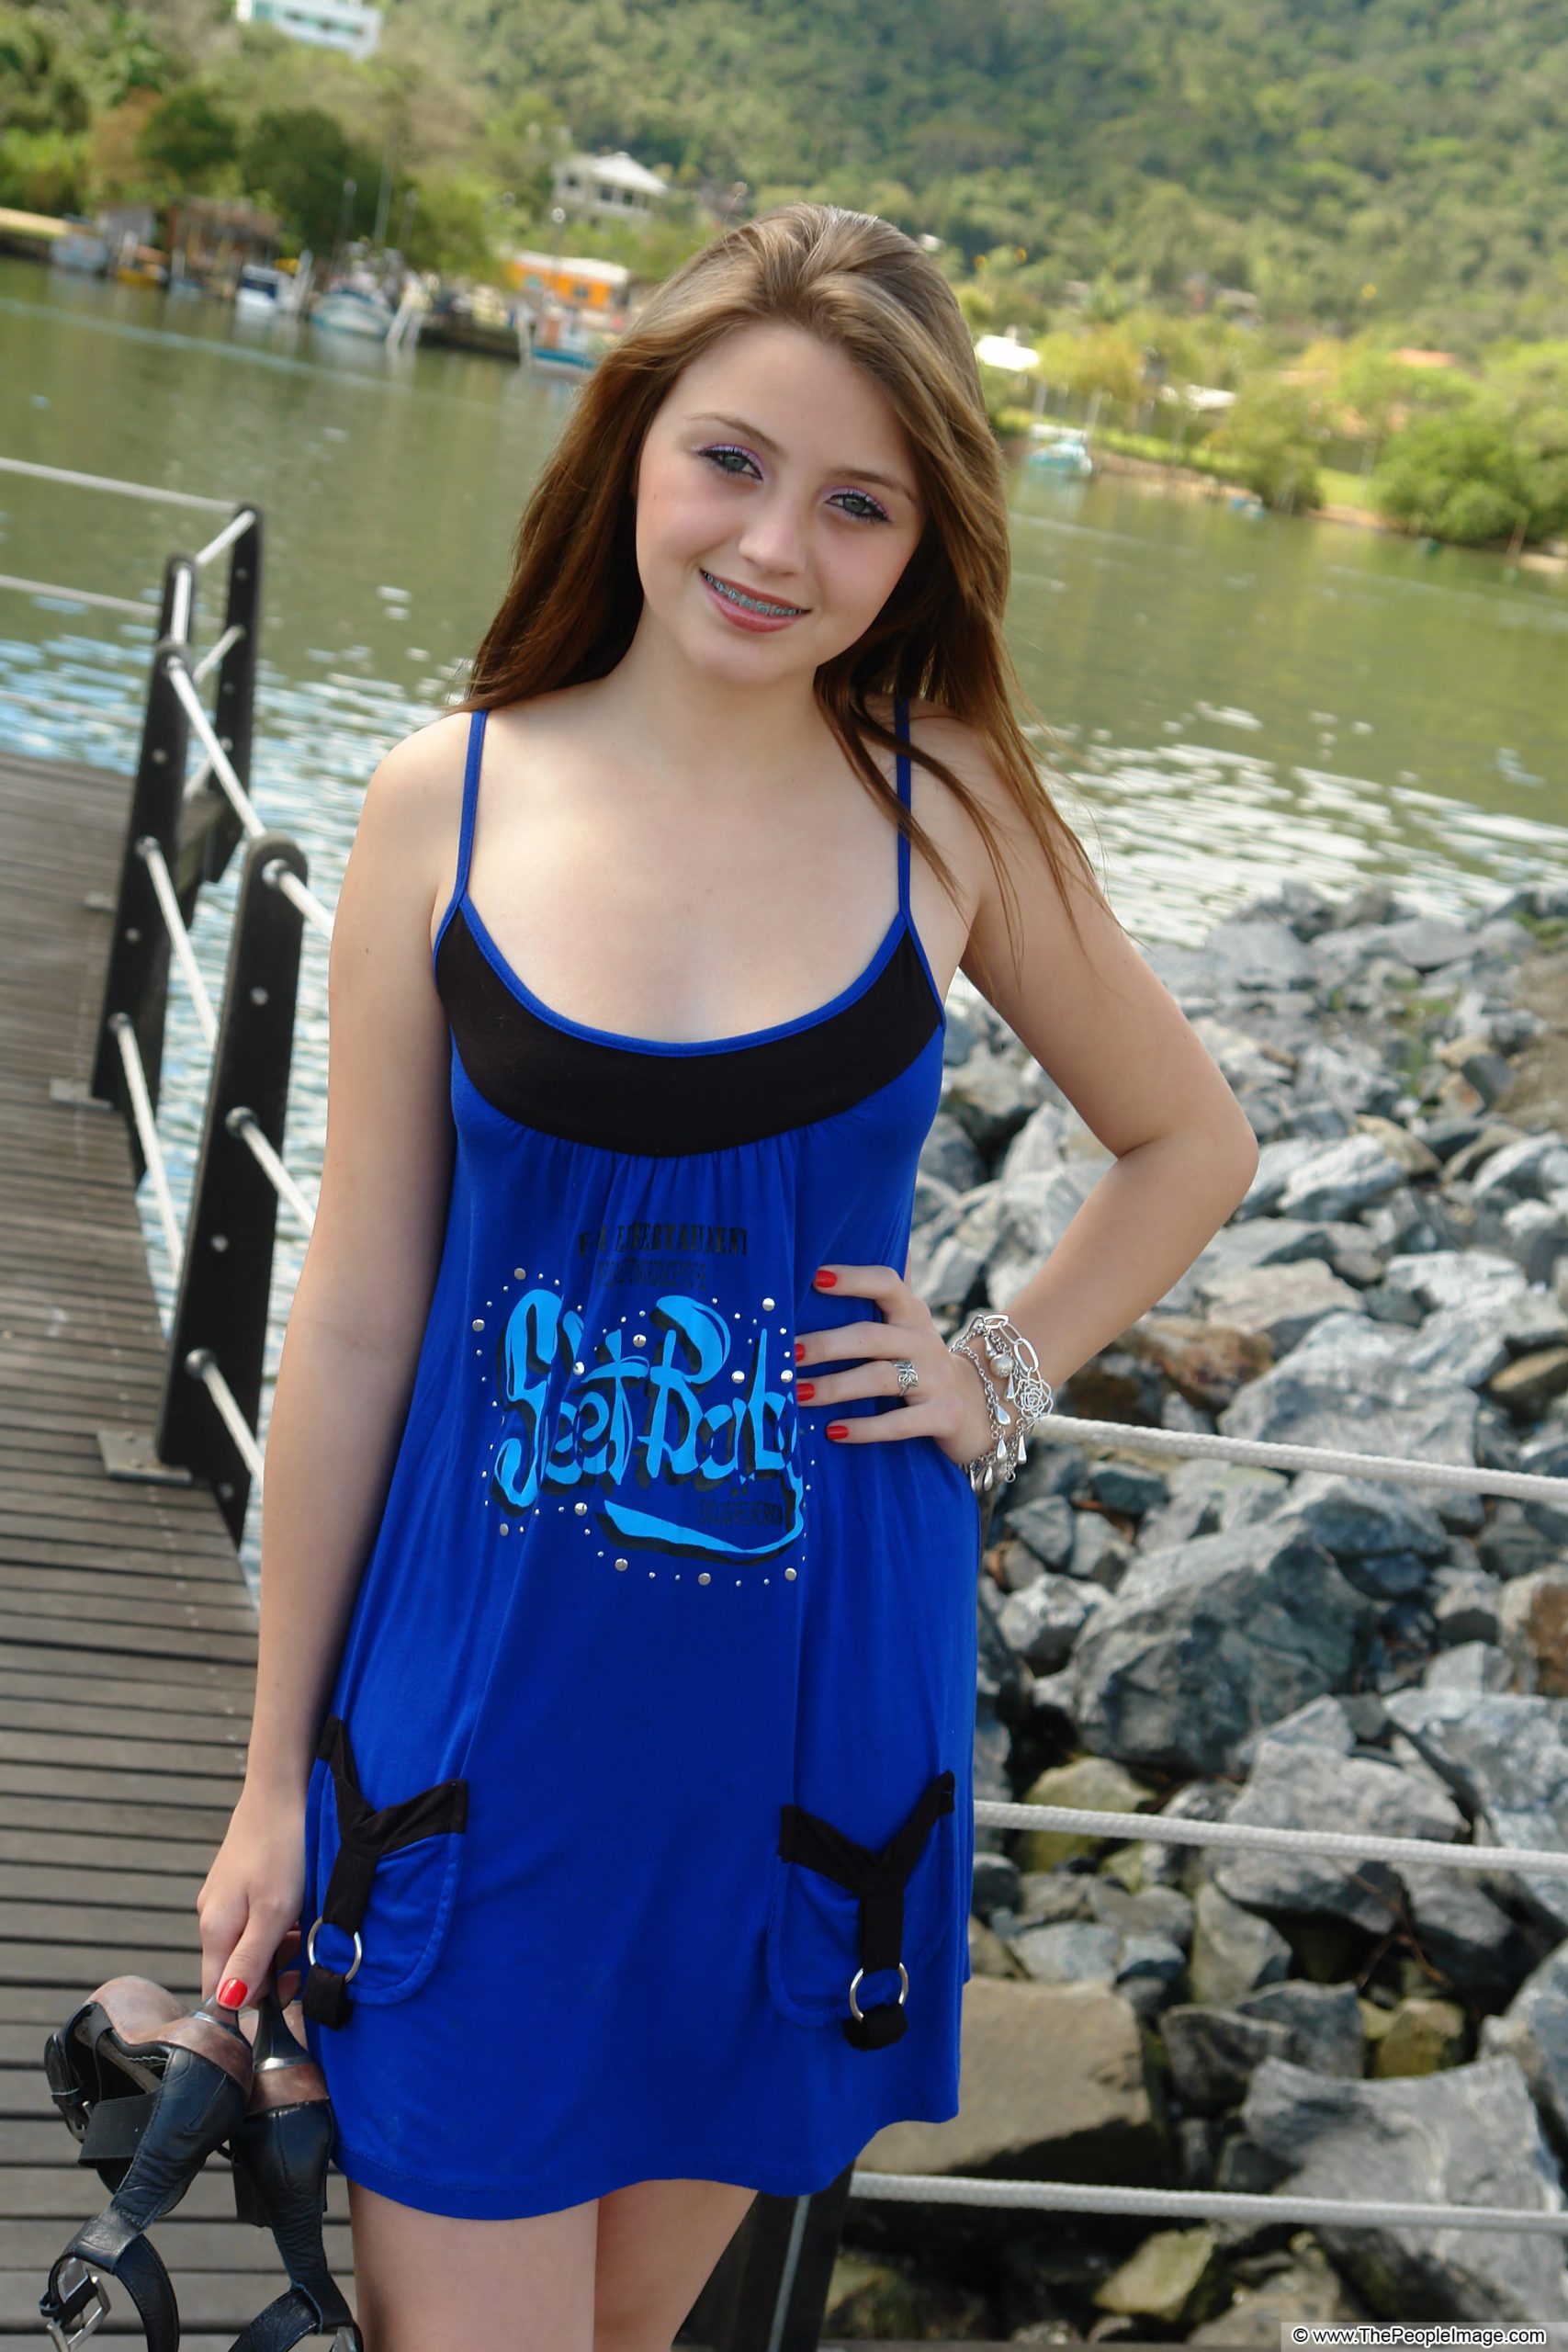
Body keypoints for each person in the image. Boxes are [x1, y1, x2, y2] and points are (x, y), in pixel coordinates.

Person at [195, 202, 1260, 2351]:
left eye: (858, 502)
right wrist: (266, 1771)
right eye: (733, 461)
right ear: (633, 446)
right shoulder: (443, 798)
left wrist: (997, 1368)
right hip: (482, 1713)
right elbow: (360, 1316)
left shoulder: (946, 809)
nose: (776, 545)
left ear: (922, 542)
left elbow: (1189, 1141)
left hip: (803, 1719)